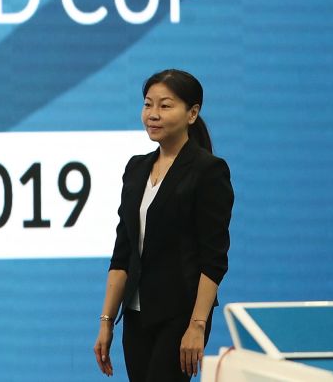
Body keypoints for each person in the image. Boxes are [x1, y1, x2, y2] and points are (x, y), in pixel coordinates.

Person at [93, 69, 234, 381]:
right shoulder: (136, 168)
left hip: (181, 314)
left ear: (192, 113)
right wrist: (106, 320)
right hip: (136, 314)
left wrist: (197, 325)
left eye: (165, 106)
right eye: (148, 105)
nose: (153, 115)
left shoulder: (208, 171)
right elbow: (123, 252)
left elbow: (214, 259)